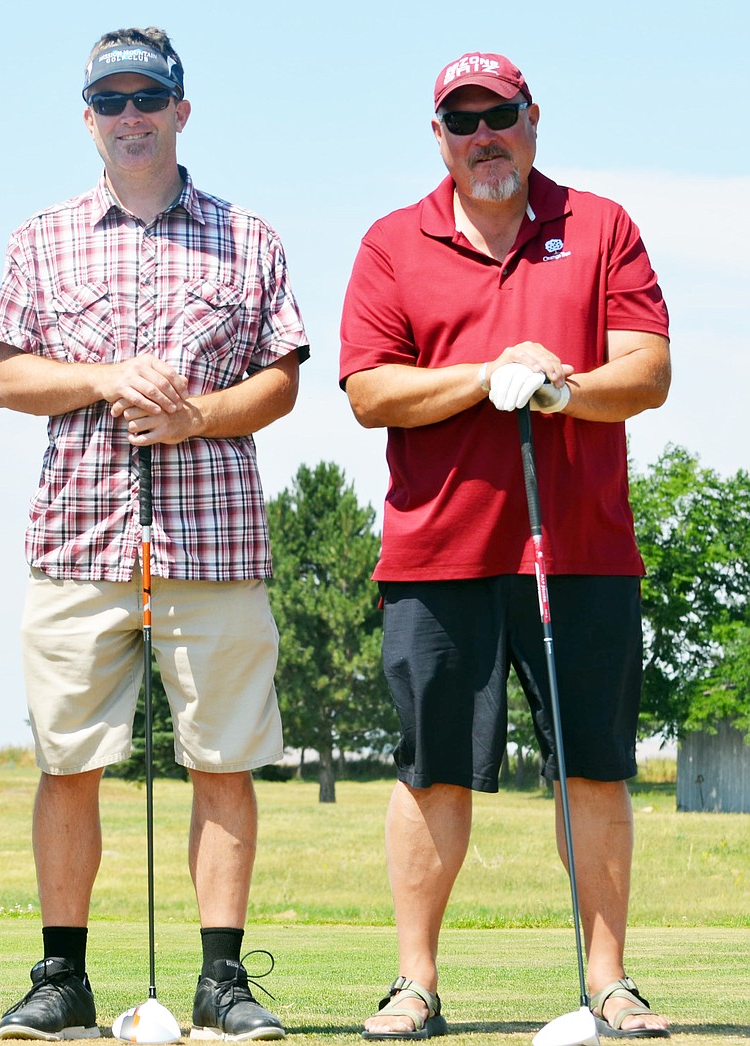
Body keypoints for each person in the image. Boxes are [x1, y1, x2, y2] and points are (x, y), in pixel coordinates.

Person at [0, 26, 308, 1042]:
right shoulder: (40, 235)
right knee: (68, 760)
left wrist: (195, 414)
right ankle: (62, 977)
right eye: (111, 101)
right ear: (89, 117)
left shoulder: (247, 235)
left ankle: (221, 979)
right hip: (80, 539)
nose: (131, 117)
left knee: (222, 759)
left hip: (210, 543)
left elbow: (284, 377)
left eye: (147, 99)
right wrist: (104, 379)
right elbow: (4, 374)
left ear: (181, 109)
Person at [338, 52, 671, 1040]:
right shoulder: (394, 241)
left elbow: (647, 368)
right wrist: (487, 373)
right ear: (438, 135)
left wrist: (560, 386)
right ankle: (415, 984)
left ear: (533, 119)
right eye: (463, 120)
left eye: (502, 115)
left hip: (583, 551)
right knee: (433, 769)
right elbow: (369, 389)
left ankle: (609, 980)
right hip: (438, 555)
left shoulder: (600, 225)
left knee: (596, 766)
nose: (485, 135)